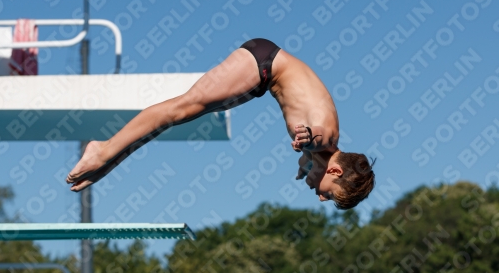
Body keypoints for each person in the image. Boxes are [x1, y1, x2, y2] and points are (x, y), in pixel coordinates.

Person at [66, 38, 375, 209]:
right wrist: (308, 140)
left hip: (263, 79)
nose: (320, 197)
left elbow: (315, 149)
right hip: (263, 64)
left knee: (178, 118)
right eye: (329, 194)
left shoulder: (323, 152)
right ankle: (103, 149)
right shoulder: (327, 135)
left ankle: (109, 160)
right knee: (181, 108)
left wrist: (307, 161)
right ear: (335, 171)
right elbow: (318, 134)